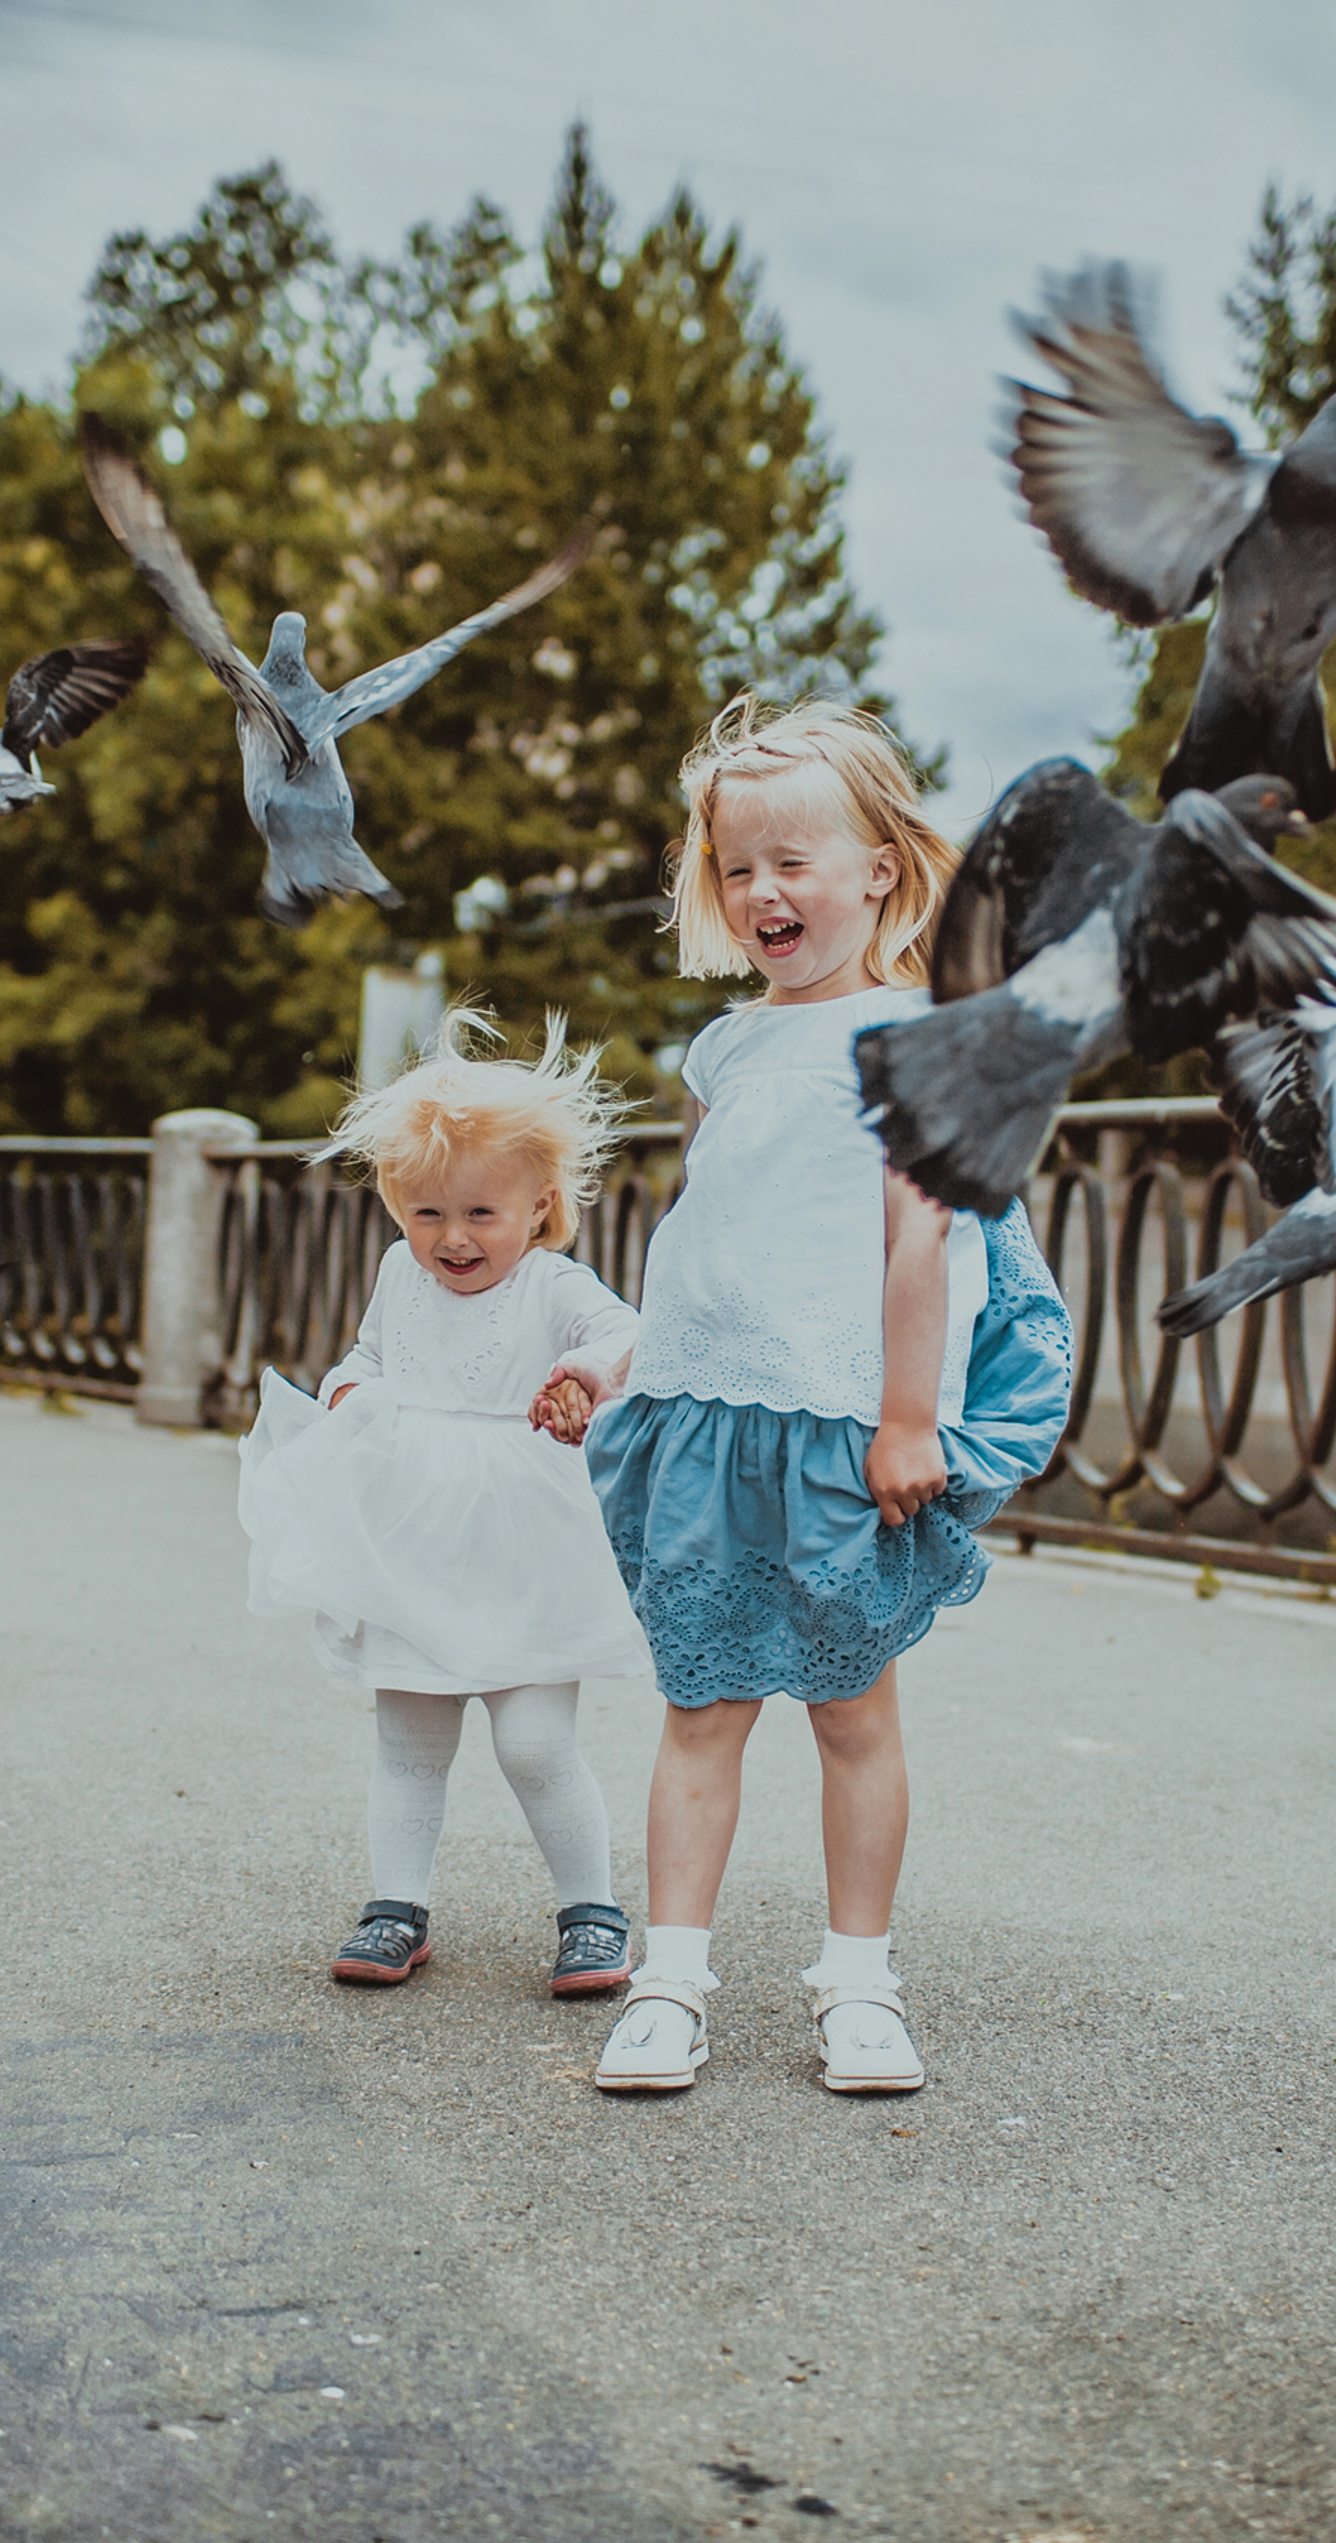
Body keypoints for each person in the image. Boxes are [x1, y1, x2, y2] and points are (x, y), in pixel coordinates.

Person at [578, 696, 1073, 2096]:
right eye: (739, 866)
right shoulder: (724, 1052)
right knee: (701, 1708)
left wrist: (909, 1417)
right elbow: (711, 1245)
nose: (764, 891)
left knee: (853, 1712)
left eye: (797, 860)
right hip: (707, 1415)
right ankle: (670, 1983)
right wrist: (619, 1360)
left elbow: (923, 1235)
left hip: (844, 1424)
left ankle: (860, 1984)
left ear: (883, 868)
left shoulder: (923, 1038)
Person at [238, 1014, 649, 1997]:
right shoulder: (397, 1273)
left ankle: (591, 1907)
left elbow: (628, 1331)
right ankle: (396, 1904)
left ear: (539, 1206)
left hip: (526, 1539)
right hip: (412, 1534)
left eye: (478, 1214)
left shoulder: (552, 1284)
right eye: (426, 1215)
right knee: (409, 1735)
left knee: (534, 1738)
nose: (451, 1238)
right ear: (395, 1209)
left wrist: (583, 1373)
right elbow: (371, 1354)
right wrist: (345, 1388)